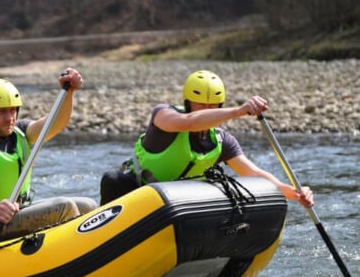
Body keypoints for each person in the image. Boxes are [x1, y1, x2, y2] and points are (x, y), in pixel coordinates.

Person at [99, 70, 314, 208]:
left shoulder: (222, 142)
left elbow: (254, 173)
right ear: (188, 102)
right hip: (134, 193)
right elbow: (190, 123)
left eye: (212, 107)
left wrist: (295, 194)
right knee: (112, 179)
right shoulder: (164, 115)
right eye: (200, 104)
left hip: (172, 206)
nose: (207, 110)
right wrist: (239, 111)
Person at [0, 71, 98, 246]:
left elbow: (54, 123)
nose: (10, 118)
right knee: (63, 207)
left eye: (13, 110)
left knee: (88, 205)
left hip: (17, 212)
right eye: (1, 112)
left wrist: (69, 92)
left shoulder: (19, 132)